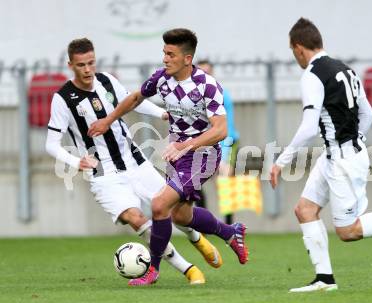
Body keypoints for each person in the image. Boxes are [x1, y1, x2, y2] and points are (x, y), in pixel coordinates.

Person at [270, 18, 372, 293]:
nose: (295, 58)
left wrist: (280, 162)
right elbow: (368, 114)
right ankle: (324, 280)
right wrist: (353, 139)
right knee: (305, 209)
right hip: (336, 155)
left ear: (298, 47)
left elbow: (309, 127)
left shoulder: (312, 75)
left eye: (293, 52)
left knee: (348, 232)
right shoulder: (345, 69)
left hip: (343, 161)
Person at [45, 38, 224, 287]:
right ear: (70, 65)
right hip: (104, 175)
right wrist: (76, 162)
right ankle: (188, 269)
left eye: (91, 63)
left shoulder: (107, 81)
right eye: (81, 65)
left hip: (137, 163)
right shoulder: (63, 98)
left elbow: (135, 100)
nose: (87, 70)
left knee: (172, 210)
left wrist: (161, 113)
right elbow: (51, 144)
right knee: (137, 218)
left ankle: (197, 238)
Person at [88, 28, 249, 286]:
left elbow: (220, 130)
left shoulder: (207, 86)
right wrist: (108, 120)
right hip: (178, 156)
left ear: (187, 58)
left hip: (203, 156)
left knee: (159, 205)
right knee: (182, 216)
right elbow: (135, 98)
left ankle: (152, 270)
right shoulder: (162, 78)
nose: (165, 59)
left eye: (170, 54)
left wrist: (186, 145)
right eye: (164, 53)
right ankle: (231, 232)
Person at [197, 60, 240, 224]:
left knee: (224, 181)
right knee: (194, 182)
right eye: (202, 72)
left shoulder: (221, 94)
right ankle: (203, 223)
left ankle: (229, 226)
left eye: (208, 72)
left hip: (225, 142)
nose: (205, 76)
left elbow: (226, 128)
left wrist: (224, 156)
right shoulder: (193, 96)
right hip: (203, 143)